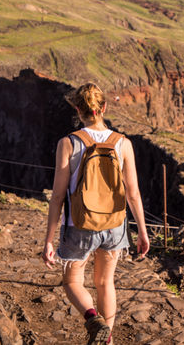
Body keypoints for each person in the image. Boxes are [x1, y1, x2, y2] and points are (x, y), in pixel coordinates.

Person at [42, 83, 150, 345]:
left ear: (78, 110)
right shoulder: (123, 143)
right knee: (105, 283)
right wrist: (142, 233)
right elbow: (133, 194)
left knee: (72, 282)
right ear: (103, 108)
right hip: (115, 224)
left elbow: (57, 196)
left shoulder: (68, 143)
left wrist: (48, 239)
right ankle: (107, 340)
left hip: (80, 224)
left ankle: (93, 320)